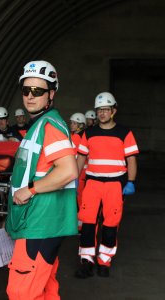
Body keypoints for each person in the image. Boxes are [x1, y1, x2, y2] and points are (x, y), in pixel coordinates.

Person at [5, 60, 78, 299]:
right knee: (45, 288)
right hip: (38, 222)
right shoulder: (39, 125)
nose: (30, 96)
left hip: (40, 223)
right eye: (26, 90)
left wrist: (30, 190)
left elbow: (68, 170)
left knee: (22, 292)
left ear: (51, 94)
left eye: (38, 91)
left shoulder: (50, 126)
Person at [75, 92, 139, 278]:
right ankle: (87, 261)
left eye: (105, 109)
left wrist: (131, 182)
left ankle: (104, 261)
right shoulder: (89, 132)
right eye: (99, 110)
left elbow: (132, 160)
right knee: (87, 224)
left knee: (111, 225)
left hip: (115, 185)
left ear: (113, 111)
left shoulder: (124, 133)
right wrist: (74, 178)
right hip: (92, 183)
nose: (102, 113)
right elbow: (81, 159)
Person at [69, 112, 87, 230]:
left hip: (78, 172)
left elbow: (72, 156)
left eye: (74, 123)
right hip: (82, 172)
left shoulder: (76, 137)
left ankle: (80, 224)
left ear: (80, 125)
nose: (71, 125)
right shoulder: (83, 136)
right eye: (71, 123)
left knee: (78, 197)